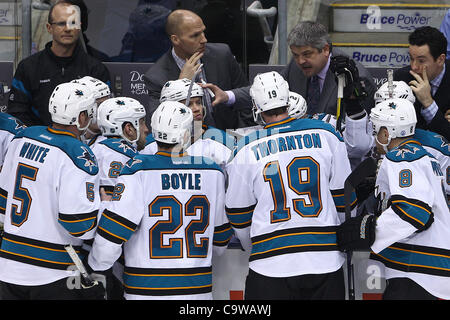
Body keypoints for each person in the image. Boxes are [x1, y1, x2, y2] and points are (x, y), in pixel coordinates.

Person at [225, 71, 356, 300]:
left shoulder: (245, 148)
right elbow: (345, 198)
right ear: (288, 99)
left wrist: (255, 246)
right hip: (324, 262)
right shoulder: (325, 134)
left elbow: (238, 213)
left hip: (270, 266)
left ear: (256, 105)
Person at [85, 100, 232, 300]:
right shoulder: (213, 171)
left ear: (154, 130)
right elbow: (221, 239)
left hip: (144, 291)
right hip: (196, 291)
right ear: (187, 134)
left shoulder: (136, 169)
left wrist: (96, 265)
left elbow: (113, 232)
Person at [336, 98, 450, 300]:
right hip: (425, 270)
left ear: (387, 134)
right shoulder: (426, 157)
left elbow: (414, 212)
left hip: (418, 272)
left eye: (376, 129)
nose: (374, 134)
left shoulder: (401, 157)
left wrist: (370, 230)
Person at [0, 82, 104, 300]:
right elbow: (79, 226)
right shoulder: (78, 153)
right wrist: (103, 206)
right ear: (82, 117)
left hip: (8, 268)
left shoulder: (22, 137)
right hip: (53, 273)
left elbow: (3, 204)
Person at [203, 21, 376, 118]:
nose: (300, 61)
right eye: (295, 55)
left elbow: (360, 135)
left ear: (325, 49)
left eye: (307, 54)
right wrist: (228, 96)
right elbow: (268, 91)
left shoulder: (355, 77)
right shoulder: (296, 67)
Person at [143, 9, 253, 131]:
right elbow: (159, 124)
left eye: (203, 32)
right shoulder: (156, 77)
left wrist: (243, 133)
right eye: (195, 35)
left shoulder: (222, 55)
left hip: (231, 137)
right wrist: (182, 84)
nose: (203, 40)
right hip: (189, 144)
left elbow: (249, 95)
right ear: (175, 39)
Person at [7, 1, 111, 127]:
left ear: (79, 27)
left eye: (73, 23)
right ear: (49, 28)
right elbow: (17, 113)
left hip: (81, 143)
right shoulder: (28, 67)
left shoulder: (96, 69)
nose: (67, 28)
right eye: (61, 23)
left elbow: (104, 114)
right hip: (38, 141)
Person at [141, 78, 235, 170]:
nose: (197, 109)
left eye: (198, 102)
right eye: (189, 104)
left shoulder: (224, 142)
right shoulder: (149, 144)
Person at [393, 26, 450, 141]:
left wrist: (428, 102)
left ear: (440, 59)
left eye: (421, 61)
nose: (414, 67)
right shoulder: (402, 78)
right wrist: (439, 117)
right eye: (411, 58)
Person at [92, 97, 148, 199]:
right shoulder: (129, 157)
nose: (146, 129)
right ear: (129, 128)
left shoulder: (93, 148)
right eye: (141, 123)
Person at [70, 76, 112, 145]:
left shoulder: (116, 140)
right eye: (99, 105)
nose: (106, 111)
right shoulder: (65, 140)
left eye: (107, 104)